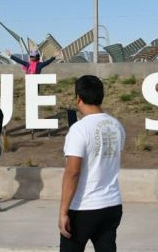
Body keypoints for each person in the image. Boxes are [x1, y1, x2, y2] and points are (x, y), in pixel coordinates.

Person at [58, 75, 126, 252]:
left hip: (83, 207)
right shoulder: (117, 126)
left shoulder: (79, 129)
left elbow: (73, 172)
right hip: (112, 205)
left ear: (78, 98)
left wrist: (63, 212)